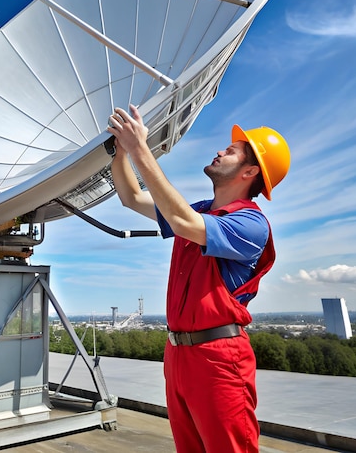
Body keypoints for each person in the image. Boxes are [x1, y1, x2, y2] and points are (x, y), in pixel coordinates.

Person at [107, 104, 290, 453]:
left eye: (232, 150)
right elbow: (131, 198)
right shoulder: (201, 210)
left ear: (250, 170)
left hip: (218, 358)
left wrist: (139, 148)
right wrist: (120, 152)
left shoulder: (250, 224)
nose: (221, 150)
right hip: (178, 354)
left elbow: (182, 223)